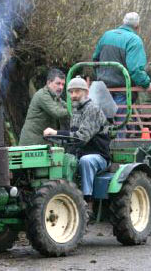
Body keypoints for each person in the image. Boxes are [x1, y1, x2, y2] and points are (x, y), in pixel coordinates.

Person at [43, 77, 111, 212]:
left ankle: (87, 201)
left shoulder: (92, 109)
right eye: (71, 92)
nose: (73, 95)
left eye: (77, 92)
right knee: (57, 159)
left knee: (86, 161)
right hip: (79, 152)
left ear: (85, 92)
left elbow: (81, 137)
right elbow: (71, 136)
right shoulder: (75, 110)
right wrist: (54, 138)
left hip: (98, 155)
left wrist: (56, 132)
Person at [92, 12, 151, 136]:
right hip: (122, 90)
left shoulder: (107, 35)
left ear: (123, 22)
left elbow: (95, 59)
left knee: (101, 125)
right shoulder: (134, 40)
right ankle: (117, 152)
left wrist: (100, 76)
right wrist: (147, 84)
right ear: (138, 26)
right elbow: (135, 70)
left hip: (102, 88)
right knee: (119, 125)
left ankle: (100, 153)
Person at [18, 68, 70, 146]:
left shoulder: (55, 97)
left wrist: (77, 107)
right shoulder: (42, 95)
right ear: (49, 83)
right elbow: (57, 112)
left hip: (42, 142)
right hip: (32, 144)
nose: (61, 87)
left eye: (63, 84)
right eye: (58, 83)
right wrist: (72, 111)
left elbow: (68, 106)